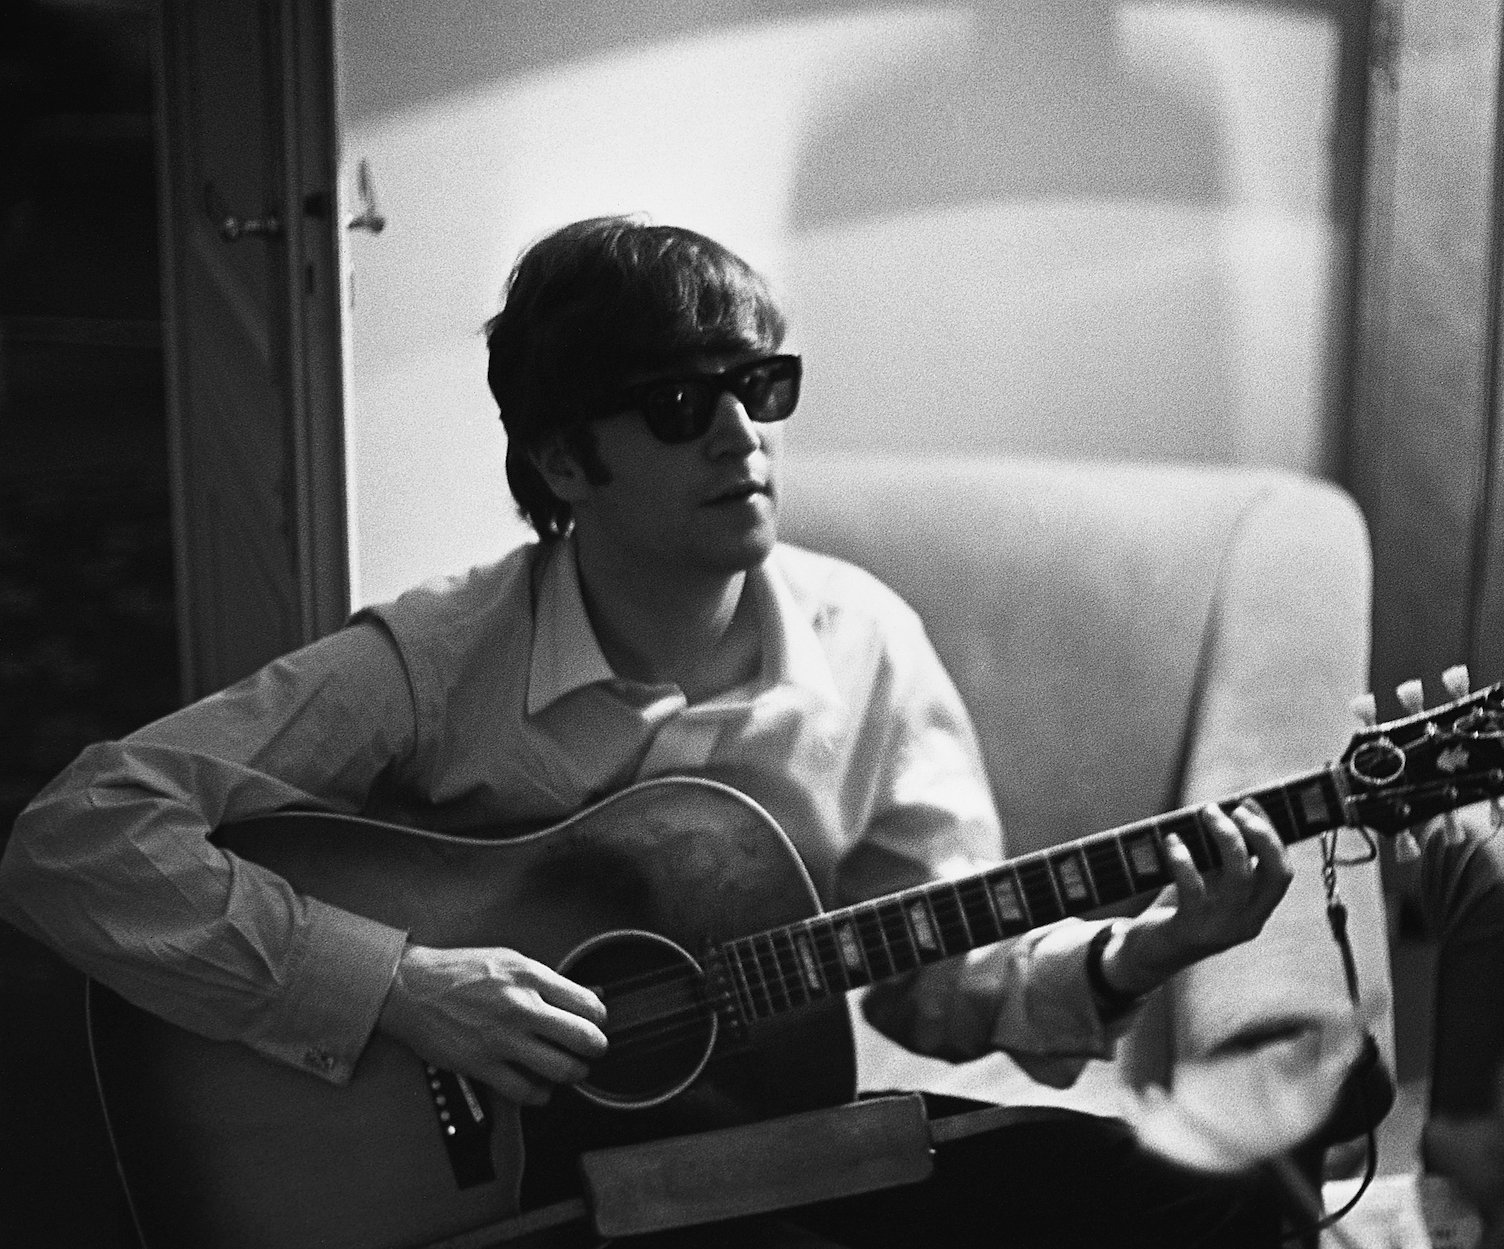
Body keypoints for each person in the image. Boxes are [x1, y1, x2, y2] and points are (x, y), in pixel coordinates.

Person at [0, 216, 1298, 1246]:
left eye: (759, 387)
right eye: (681, 406)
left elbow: (936, 969)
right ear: (567, 463)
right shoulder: (431, 660)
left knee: (1227, 1198)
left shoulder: (863, 641)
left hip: (768, 1153)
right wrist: (403, 984)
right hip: (519, 1202)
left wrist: (1141, 952)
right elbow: (73, 838)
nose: (742, 435)